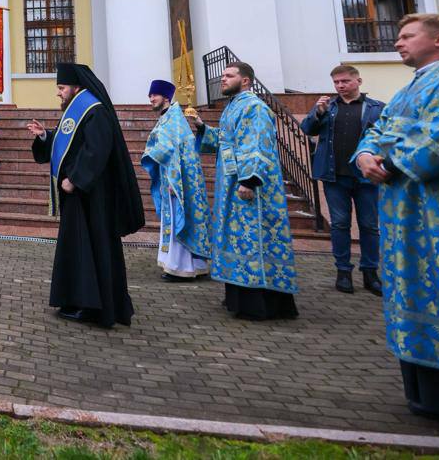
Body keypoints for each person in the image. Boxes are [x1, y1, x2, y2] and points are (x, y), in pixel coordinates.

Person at [353, 13, 439, 423]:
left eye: (406, 36)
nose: (397, 43)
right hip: (404, 216)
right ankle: (430, 396)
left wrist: (387, 157)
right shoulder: (405, 91)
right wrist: (365, 154)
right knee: (416, 290)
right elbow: (376, 129)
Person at [27, 63, 143, 329]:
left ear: (76, 87)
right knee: (79, 248)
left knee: (91, 249)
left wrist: (76, 180)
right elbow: (70, 142)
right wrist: (46, 135)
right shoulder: (78, 111)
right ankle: (78, 300)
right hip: (80, 197)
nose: (58, 93)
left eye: (61, 88)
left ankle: (92, 307)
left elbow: (96, 150)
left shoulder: (94, 111)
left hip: (92, 198)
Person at [189, 62, 299, 321]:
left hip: (250, 187)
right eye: (223, 75)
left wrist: (249, 180)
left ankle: (261, 303)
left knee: (253, 238)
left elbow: (256, 143)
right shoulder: (234, 106)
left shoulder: (254, 107)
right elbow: (227, 141)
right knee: (236, 238)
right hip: (232, 184)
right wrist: (203, 129)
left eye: (229, 75)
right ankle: (238, 296)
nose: (222, 80)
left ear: (246, 80)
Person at [301, 65, 384, 294]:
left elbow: (385, 138)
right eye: (337, 82)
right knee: (339, 224)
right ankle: (343, 272)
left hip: (366, 178)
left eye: (345, 81)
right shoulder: (329, 107)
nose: (340, 86)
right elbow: (307, 129)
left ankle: (370, 272)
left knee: (369, 225)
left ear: (359, 81)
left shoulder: (376, 108)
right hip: (334, 175)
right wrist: (318, 112)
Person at [141, 79, 211, 281]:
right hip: (168, 179)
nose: (151, 99)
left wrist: (174, 181)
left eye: (154, 95)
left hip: (175, 181)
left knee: (178, 218)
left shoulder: (174, 119)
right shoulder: (168, 118)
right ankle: (191, 265)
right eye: (150, 95)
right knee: (176, 219)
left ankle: (181, 267)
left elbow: (171, 151)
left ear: (166, 97)